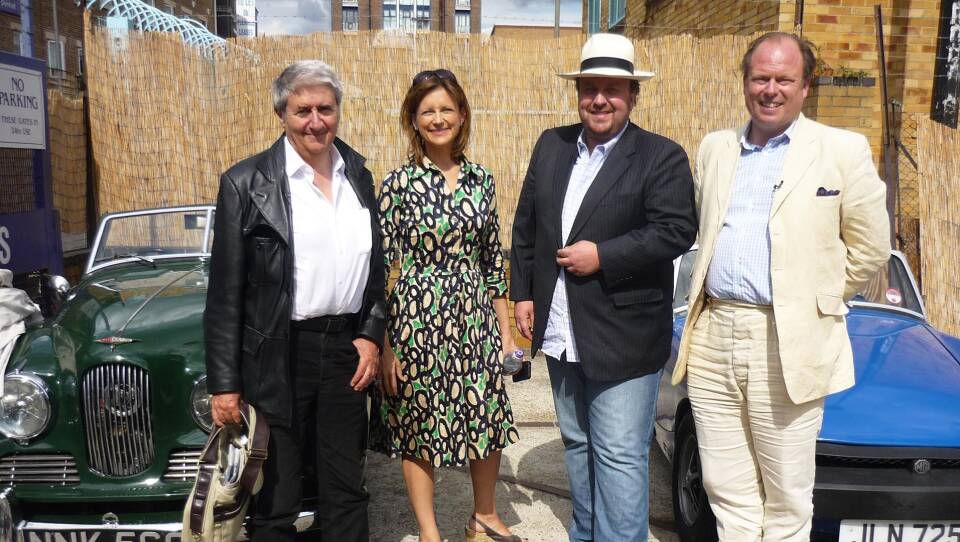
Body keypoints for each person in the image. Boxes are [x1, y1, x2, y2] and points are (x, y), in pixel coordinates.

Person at [671, 32, 890, 541]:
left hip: (788, 340)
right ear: (745, 82)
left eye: (783, 79)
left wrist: (816, 301)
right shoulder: (716, 148)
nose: (770, 90)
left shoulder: (842, 150)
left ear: (805, 86)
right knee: (725, 487)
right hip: (713, 334)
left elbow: (870, 248)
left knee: (788, 495)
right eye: (760, 78)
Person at [510, 33, 698, 542]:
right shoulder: (551, 145)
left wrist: (604, 256)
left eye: (612, 89)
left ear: (632, 95)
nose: (599, 99)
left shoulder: (661, 157)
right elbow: (526, 225)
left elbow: (677, 229)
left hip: (625, 332)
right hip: (561, 326)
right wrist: (523, 293)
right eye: (590, 87)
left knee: (618, 453)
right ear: (578, 92)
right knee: (576, 442)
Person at [204, 60, 386, 542]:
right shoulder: (245, 184)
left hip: (346, 353)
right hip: (277, 356)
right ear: (281, 113)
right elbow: (224, 294)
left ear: (338, 112)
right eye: (302, 109)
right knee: (278, 498)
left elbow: (375, 271)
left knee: (347, 487)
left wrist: (370, 335)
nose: (316, 121)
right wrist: (225, 384)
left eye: (326, 108)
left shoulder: (358, 175)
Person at [372, 68, 523, 542]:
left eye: (446, 109)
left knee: (485, 413)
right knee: (418, 425)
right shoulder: (397, 184)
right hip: (415, 317)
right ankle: (429, 532)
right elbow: (379, 270)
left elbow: (492, 262)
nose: (438, 118)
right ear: (413, 121)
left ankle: (484, 516)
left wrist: (504, 334)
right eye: (427, 111)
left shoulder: (481, 179)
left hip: (474, 315)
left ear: (461, 115)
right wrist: (386, 344)